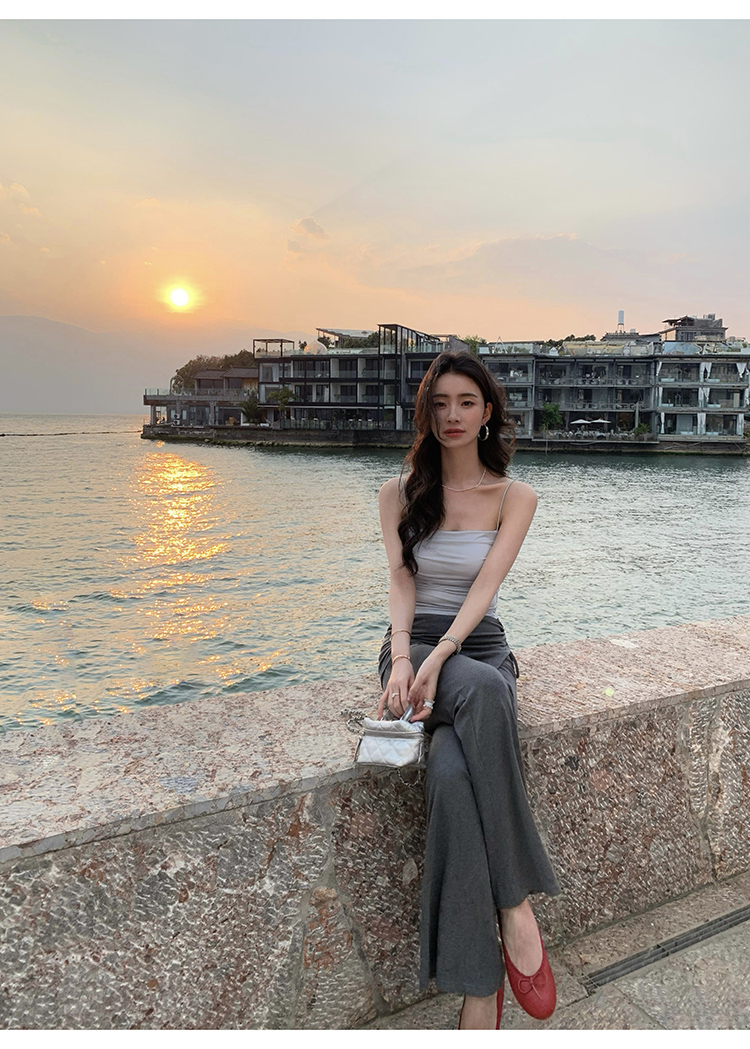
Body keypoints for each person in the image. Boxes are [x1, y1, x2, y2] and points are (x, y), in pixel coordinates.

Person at [377, 350, 561, 1030]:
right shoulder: (398, 492)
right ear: (426, 413)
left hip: (476, 646)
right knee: (480, 697)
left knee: (453, 776)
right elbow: (401, 581)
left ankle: (480, 987)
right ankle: (516, 904)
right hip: (410, 649)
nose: (451, 415)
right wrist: (404, 659)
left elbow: (485, 590)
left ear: (487, 413)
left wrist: (444, 654)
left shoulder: (516, 497)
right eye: (439, 403)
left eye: (465, 402)